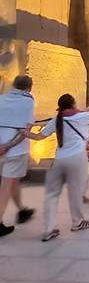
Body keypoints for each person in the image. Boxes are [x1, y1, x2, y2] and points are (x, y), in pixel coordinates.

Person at [25, 89, 89, 241]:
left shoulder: (56, 119)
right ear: (72, 103)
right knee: (75, 191)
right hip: (77, 158)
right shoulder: (82, 117)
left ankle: (48, 229)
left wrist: (24, 133)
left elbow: (40, 136)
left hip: (59, 159)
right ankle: (77, 222)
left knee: (51, 194)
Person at [0, 75, 36, 238]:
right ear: (29, 87)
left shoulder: (2, 98)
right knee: (6, 186)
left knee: (12, 180)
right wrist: (7, 146)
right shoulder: (27, 101)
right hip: (14, 151)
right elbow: (25, 130)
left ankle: (22, 210)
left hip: (1, 149)